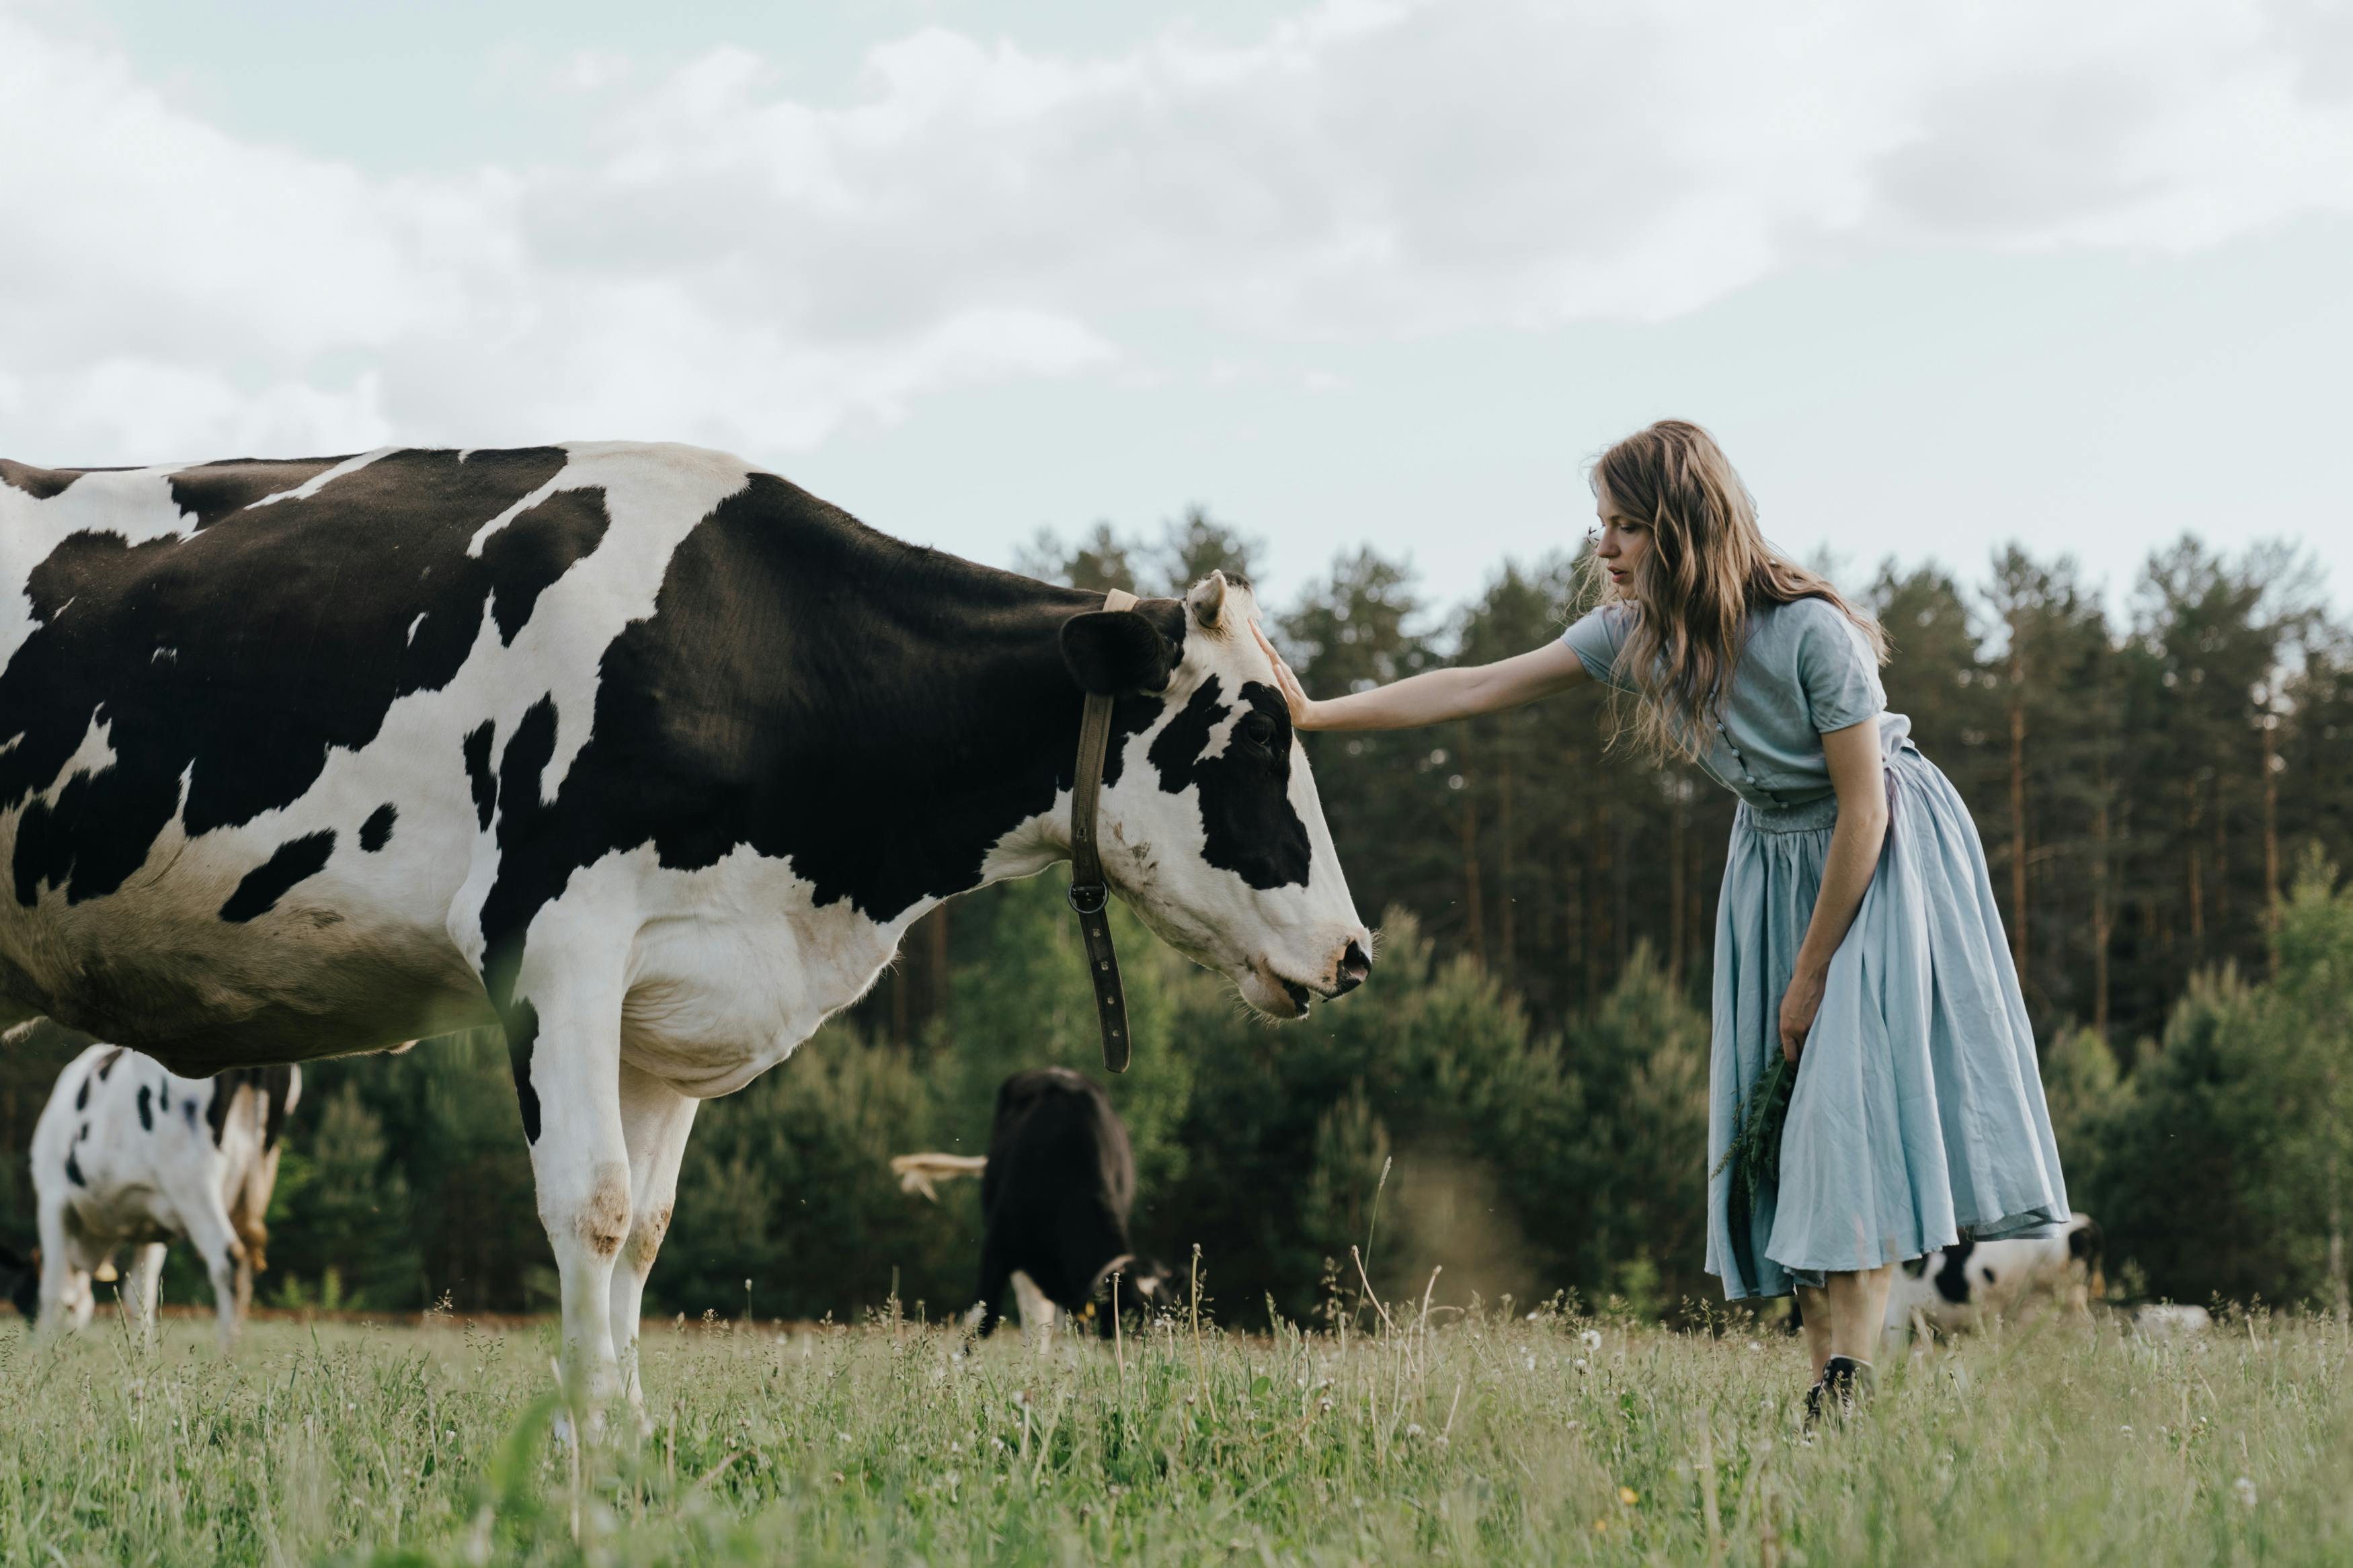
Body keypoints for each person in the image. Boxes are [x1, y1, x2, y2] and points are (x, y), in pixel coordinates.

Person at [1255, 419, 2068, 1421]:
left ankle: (1846, 1385)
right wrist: (1320, 713)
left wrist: (1812, 973)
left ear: (1684, 527)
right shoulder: (1637, 638)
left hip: (1879, 863)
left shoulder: (1813, 632)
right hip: (1771, 864)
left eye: (1626, 526)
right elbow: (1476, 684)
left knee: (1841, 1118)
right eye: (1602, 524)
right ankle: (1831, 1390)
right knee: (1785, 1134)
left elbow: (1865, 808)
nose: (1604, 548)